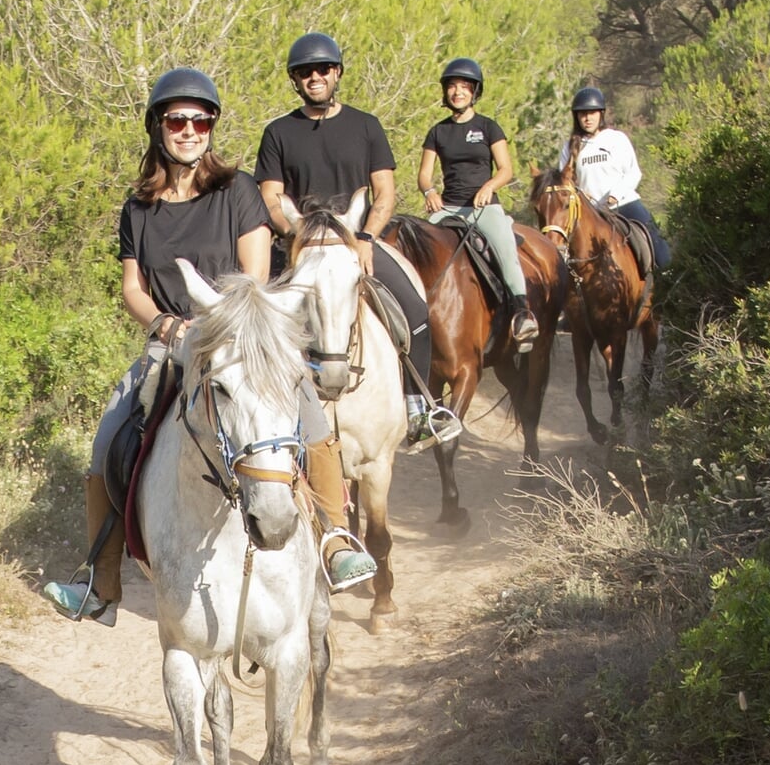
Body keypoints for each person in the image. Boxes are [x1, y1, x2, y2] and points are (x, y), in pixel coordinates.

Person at [43, 67, 376, 627]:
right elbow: (133, 288)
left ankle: (335, 539)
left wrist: (219, 322)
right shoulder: (138, 208)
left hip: (239, 336)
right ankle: (100, 584)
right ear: (158, 126)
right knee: (108, 436)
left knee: (308, 410)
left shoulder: (238, 191)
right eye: (178, 120)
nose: (190, 131)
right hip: (173, 342)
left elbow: (255, 273)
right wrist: (164, 325)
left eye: (201, 122)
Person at [255, 31, 460, 450]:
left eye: (322, 69)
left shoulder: (366, 126)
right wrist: (298, 234)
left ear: (337, 73)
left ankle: (418, 409)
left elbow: (384, 193)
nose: (315, 77)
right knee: (255, 318)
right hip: (300, 247)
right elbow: (271, 197)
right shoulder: (278, 132)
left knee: (416, 313)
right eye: (305, 72)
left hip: (356, 242)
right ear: (295, 79)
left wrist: (366, 236)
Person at [416, 57, 536, 345]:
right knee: (418, 249)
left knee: (505, 247)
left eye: (464, 86)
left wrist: (489, 186)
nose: (457, 92)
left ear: (474, 91)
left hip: (484, 207)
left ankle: (522, 313)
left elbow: (506, 169)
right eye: (452, 86)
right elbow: (424, 175)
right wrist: (430, 192)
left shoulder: (488, 127)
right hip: (448, 208)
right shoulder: (437, 132)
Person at [556, 86, 672, 272]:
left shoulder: (616, 139)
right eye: (583, 114)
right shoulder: (569, 147)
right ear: (576, 117)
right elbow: (564, 181)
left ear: (601, 114)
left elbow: (633, 173)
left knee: (659, 249)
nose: (587, 118)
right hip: (589, 212)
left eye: (592, 113)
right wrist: (580, 195)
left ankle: (669, 278)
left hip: (624, 204)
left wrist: (615, 195)